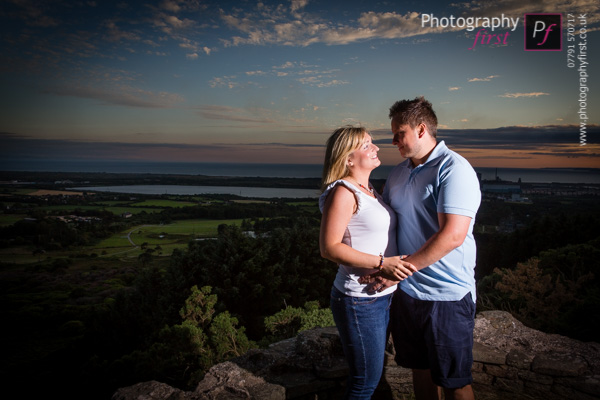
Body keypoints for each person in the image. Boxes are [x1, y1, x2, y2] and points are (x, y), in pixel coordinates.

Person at [375, 97, 481, 400]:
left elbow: (453, 236)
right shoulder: (397, 173)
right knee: (420, 371)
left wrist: (399, 272)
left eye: (400, 133)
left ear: (422, 129)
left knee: (454, 382)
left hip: (447, 295)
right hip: (408, 295)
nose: (393, 140)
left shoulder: (454, 169)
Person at [319, 125, 417, 400]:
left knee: (371, 378)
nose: (375, 148)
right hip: (359, 299)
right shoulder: (343, 192)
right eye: (366, 145)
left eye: (372, 142)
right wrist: (382, 263)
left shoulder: (369, 189)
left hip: (382, 296)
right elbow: (329, 248)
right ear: (348, 159)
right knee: (365, 383)